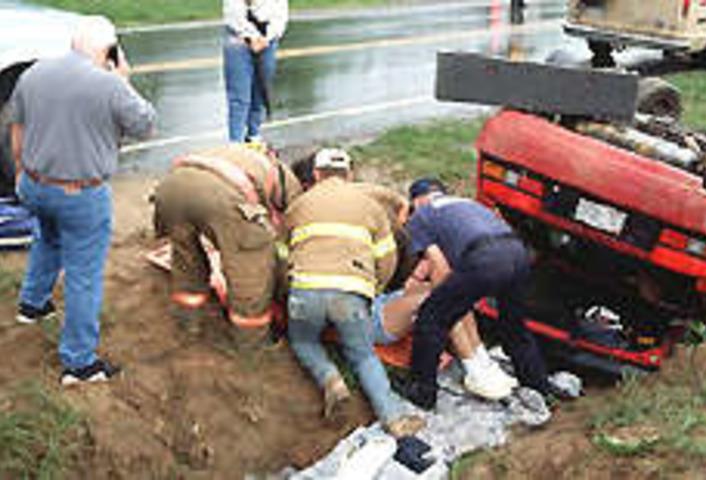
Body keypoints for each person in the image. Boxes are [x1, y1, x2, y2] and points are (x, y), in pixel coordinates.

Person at [9, 16, 156, 385]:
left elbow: (17, 129)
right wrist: (123, 78)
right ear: (109, 51)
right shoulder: (110, 84)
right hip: (79, 195)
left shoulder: (34, 74)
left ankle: (32, 305)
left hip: (34, 184)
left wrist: (20, 174)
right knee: (83, 276)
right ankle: (79, 363)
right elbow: (145, 125)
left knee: (47, 238)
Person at [283, 149, 424, 437]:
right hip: (350, 292)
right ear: (349, 174)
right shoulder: (369, 206)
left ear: (316, 174)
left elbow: (283, 253)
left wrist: (289, 286)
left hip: (305, 290)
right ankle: (394, 419)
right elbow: (387, 258)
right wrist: (373, 289)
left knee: (303, 341)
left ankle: (330, 379)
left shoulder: (298, 206)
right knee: (363, 356)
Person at [399, 178, 570, 410]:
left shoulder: (421, 215)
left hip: (484, 258)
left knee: (431, 319)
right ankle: (538, 386)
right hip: (517, 253)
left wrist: (442, 300)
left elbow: (439, 264)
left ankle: (422, 392)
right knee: (514, 326)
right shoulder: (465, 204)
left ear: (416, 201)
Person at [152, 143, 302, 334]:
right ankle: (251, 343)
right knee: (250, 267)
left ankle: (188, 322)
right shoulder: (287, 179)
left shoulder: (238, 153)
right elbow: (295, 227)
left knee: (186, 258)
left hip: (171, 188)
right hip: (219, 194)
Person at [371, 255, 519, 400]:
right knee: (444, 299)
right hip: (368, 313)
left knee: (456, 290)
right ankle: (474, 368)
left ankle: (481, 361)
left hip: (384, 297)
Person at [223, 0, 288, 143]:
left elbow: (280, 15)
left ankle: (254, 136)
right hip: (239, 40)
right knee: (239, 97)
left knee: (259, 92)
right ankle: (236, 142)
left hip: (267, 40)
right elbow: (233, 14)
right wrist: (252, 36)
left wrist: (266, 37)